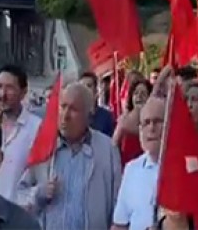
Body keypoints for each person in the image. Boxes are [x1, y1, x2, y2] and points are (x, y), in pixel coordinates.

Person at [17, 83, 122, 229]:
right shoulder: (44, 146)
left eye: (73, 109)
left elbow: (118, 204)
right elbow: (19, 196)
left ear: (89, 116)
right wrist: (38, 193)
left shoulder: (107, 149)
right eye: (63, 107)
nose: (65, 116)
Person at [111, 96, 166, 230]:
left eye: (158, 121)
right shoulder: (132, 170)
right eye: (146, 122)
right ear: (140, 130)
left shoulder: (187, 167)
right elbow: (119, 225)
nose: (151, 128)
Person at [0, 65, 42, 203]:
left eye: (9, 88)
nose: (2, 94)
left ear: (23, 92)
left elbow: (41, 179)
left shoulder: (36, 129)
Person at [112, 78, 153, 165]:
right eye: (136, 93)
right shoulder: (123, 120)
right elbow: (113, 147)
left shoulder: (154, 120)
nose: (139, 96)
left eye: (143, 93)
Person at [80, 71, 116, 137]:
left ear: (96, 91)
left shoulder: (106, 117)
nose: (85, 89)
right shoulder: (74, 117)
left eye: (89, 86)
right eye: (82, 86)